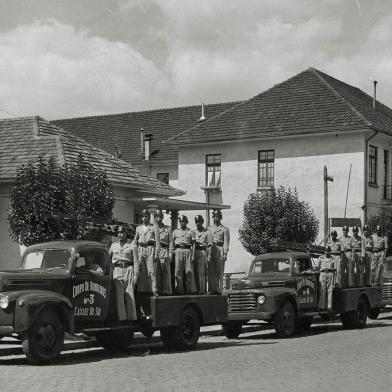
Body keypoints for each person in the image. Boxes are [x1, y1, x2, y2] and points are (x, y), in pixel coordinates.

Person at [109, 226, 139, 320]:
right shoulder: (113, 246)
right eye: (118, 233)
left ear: (126, 234)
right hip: (117, 270)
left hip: (128, 270)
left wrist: (136, 275)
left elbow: (136, 262)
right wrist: (110, 272)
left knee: (130, 295)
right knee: (119, 297)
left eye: (122, 233)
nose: (120, 235)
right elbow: (108, 260)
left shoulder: (132, 246)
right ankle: (122, 319)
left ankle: (131, 319)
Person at [133, 209, 161, 296]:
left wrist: (156, 253)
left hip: (150, 248)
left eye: (146, 216)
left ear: (149, 217)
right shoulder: (138, 228)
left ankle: (154, 290)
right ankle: (143, 290)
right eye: (142, 216)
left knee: (151, 271)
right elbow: (135, 240)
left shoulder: (153, 227)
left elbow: (157, 242)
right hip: (141, 249)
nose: (144, 218)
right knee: (142, 271)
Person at [208, 209, 230, 294]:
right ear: (213, 217)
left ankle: (219, 289)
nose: (216, 218)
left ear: (220, 218)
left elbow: (226, 242)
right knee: (211, 270)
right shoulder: (209, 229)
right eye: (215, 216)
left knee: (220, 270)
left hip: (220, 248)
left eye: (218, 216)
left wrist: (225, 253)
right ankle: (213, 288)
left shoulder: (225, 229)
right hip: (211, 249)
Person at [172, 215, 196, 294]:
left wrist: (193, 255)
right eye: (180, 221)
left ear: (186, 222)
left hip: (187, 250)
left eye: (183, 221)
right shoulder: (175, 231)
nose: (181, 223)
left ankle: (189, 290)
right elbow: (171, 243)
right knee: (178, 272)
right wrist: (173, 252)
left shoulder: (191, 232)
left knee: (189, 272)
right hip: (178, 250)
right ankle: (180, 290)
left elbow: (194, 244)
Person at [154, 209, 173, 295]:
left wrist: (170, 253)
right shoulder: (152, 228)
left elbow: (171, 242)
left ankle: (167, 291)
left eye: (160, 216)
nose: (158, 218)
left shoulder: (168, 228)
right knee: (156, 272)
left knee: (166, 272)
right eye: (157, 217)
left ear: (162, 217)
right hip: (155, 251)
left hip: (165, 250)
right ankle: (157, 290)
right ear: (155, 218)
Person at [193, 215, 212, 294]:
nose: (198, 223)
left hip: (203, 252)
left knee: (201, 272)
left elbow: (210, 244)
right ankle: (195, 289)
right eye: (196, 222)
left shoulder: (207, 232)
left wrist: (209, 255)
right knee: (194, 272)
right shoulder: (193, 232)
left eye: (199, 221)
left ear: (202, 222)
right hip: (194, 252)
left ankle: (202, 290)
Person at [316, 245, 335, 311]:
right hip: (323, 273)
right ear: (324, 251)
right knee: (322, 290)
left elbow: (335, 268)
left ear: (330, 252)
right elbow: (317, 267)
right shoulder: (320, 258)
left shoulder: (333, 258)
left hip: (330, 273)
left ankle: (329, 307)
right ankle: (321, 306)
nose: (327, 252)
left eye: (328, 251)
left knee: (330, 291)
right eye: (326, 251)